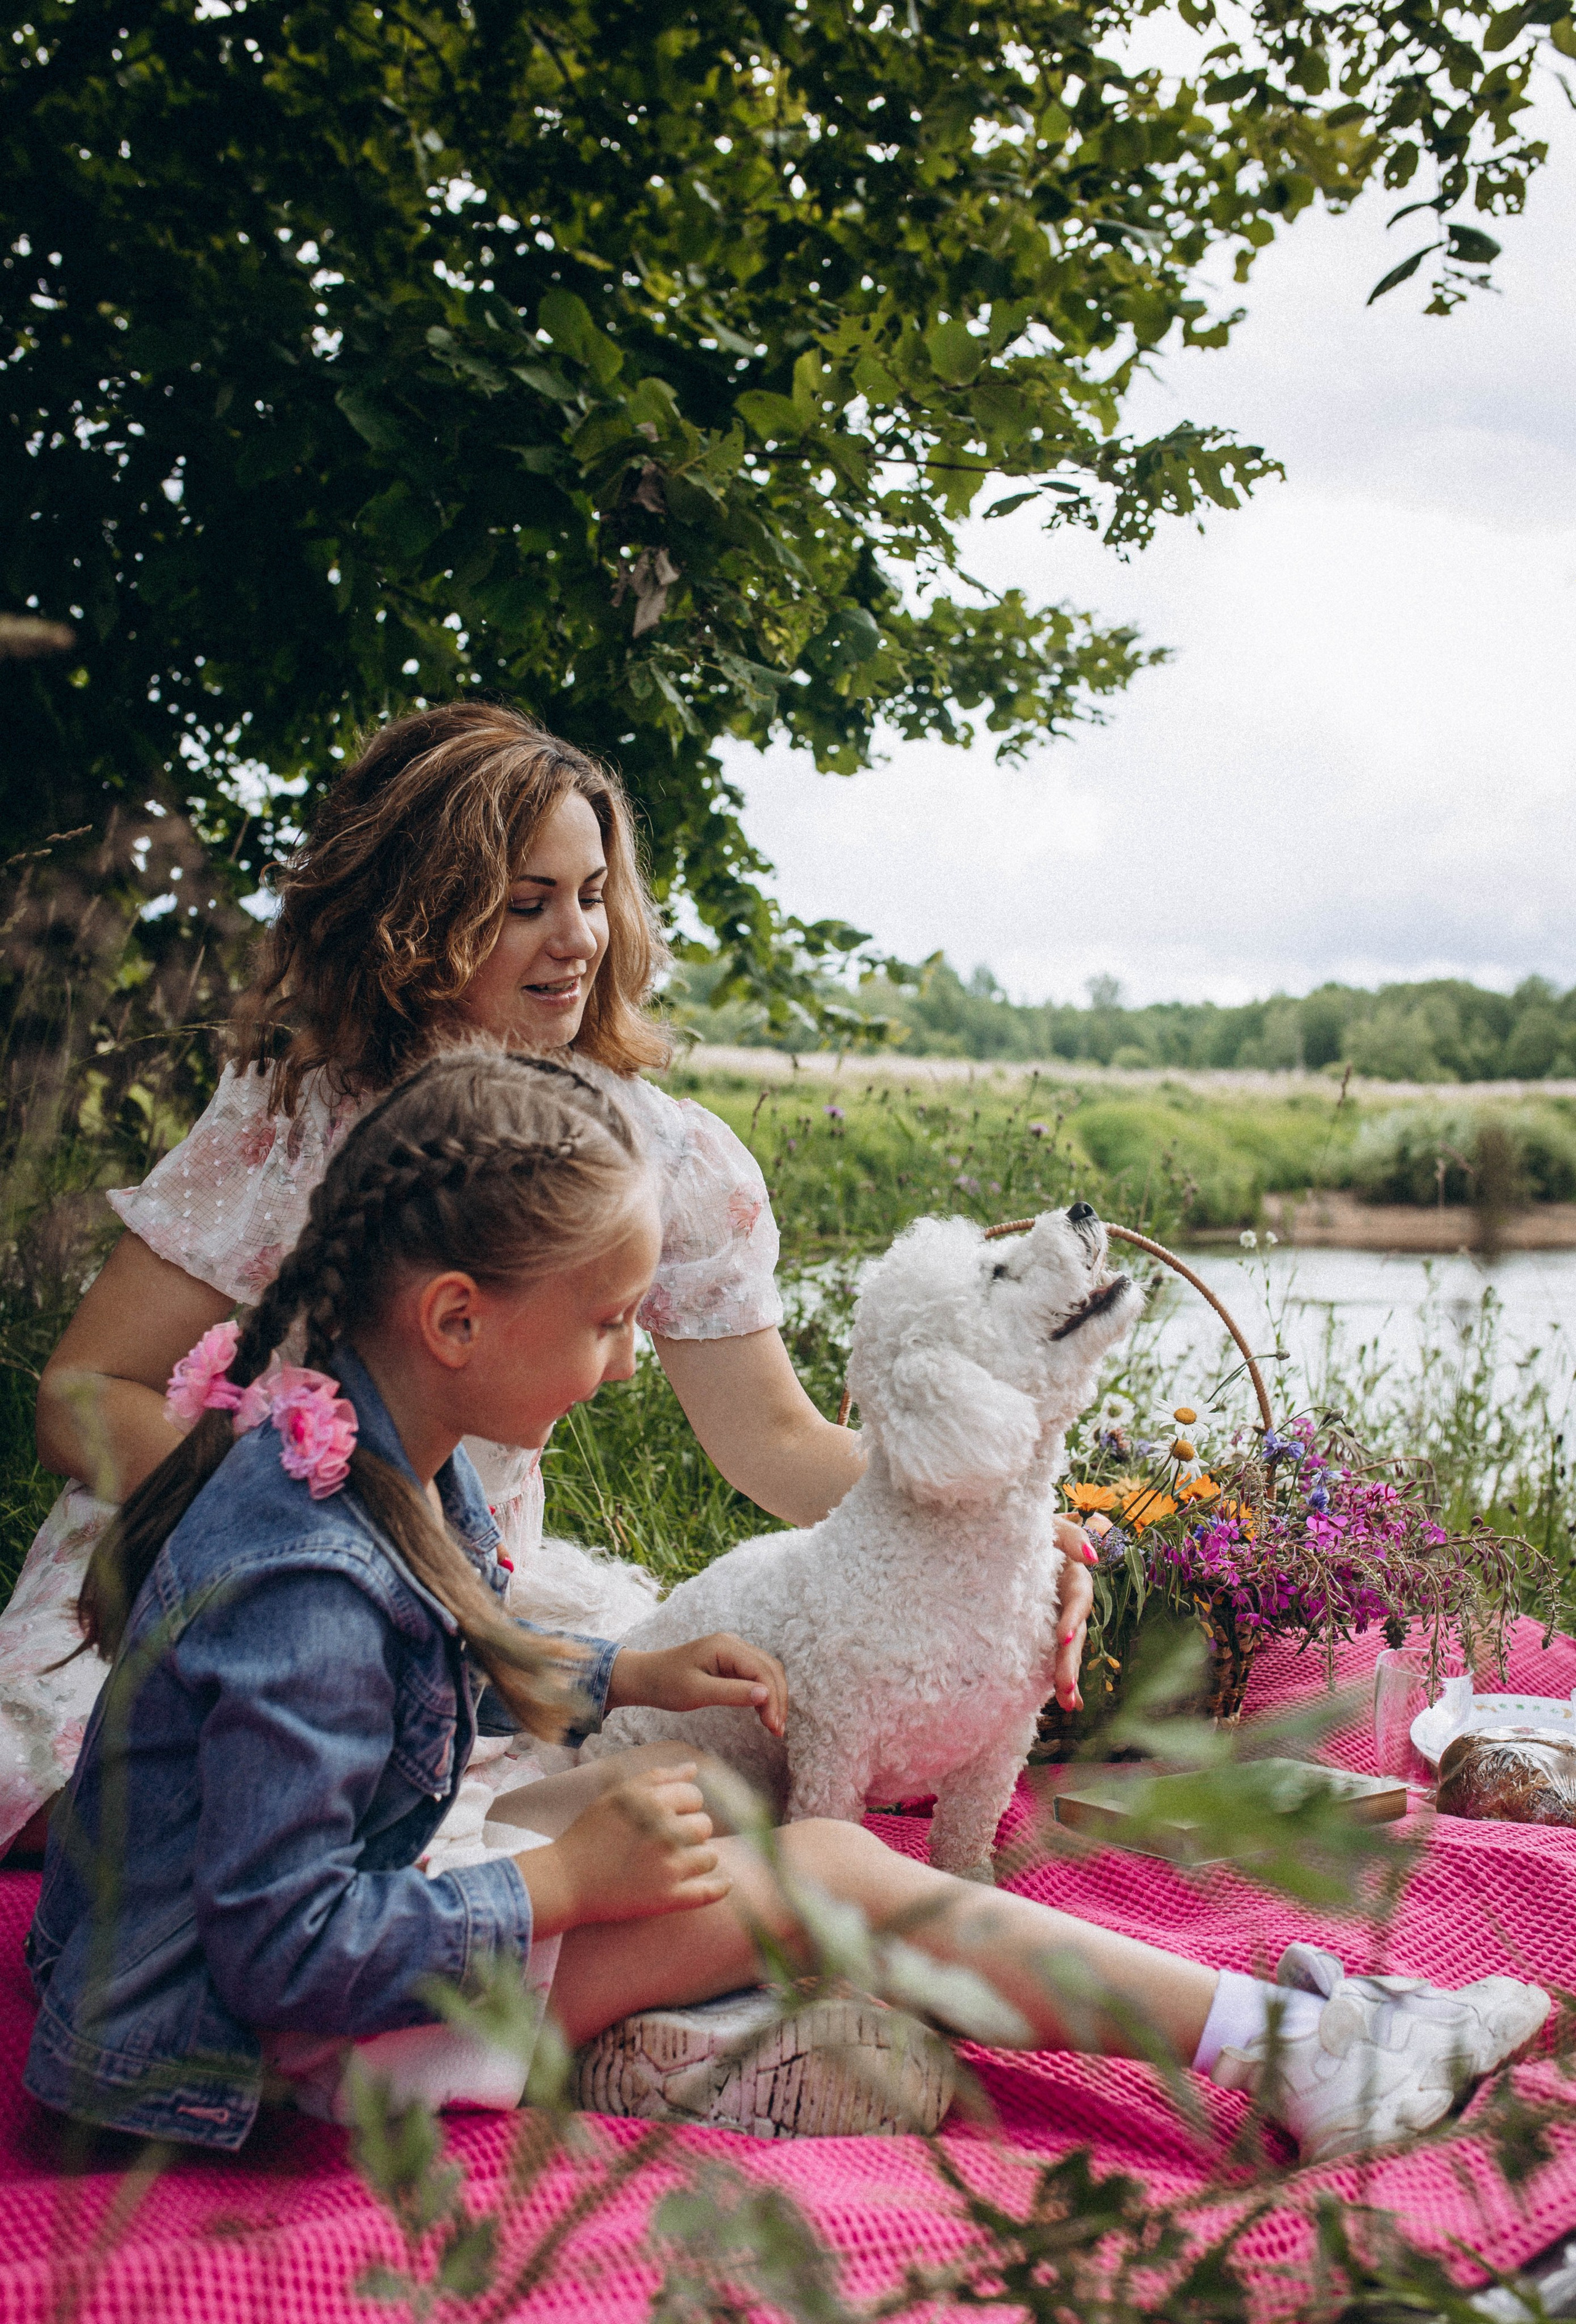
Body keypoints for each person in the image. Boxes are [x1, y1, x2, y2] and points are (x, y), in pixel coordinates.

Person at [25, 1051, 1548, 2159]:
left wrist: (633, 1664)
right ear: (455, 1318)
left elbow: (426, 1673)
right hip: (246, 2040)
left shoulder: (373, 1443)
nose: (628, 1361)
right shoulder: (302, 1560)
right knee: (828, 1866)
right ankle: (1297, 2050)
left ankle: (702, 2026)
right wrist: (561, 1890)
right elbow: (286, 1946)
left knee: (697, 1810)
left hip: (306, 1937)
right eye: (612, 1323)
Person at [1, 701, 1099, 1853]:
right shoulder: (297, 1115)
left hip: (478, 1587)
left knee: (714, 1739)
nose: (576, 937)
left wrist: (1003, 1540)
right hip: (222, 1546)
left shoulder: (669, 1157)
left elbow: (772, 1440)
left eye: (590, 894)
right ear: (408, 921)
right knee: (133, 1789)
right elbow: (82, 1394)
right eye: (524, 906)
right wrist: (322, 1508)